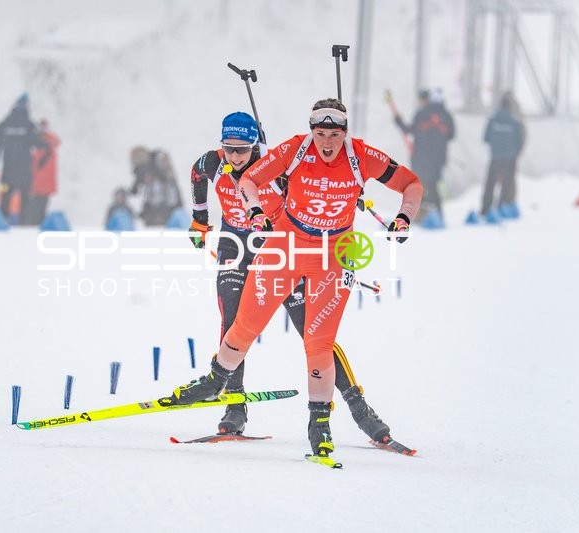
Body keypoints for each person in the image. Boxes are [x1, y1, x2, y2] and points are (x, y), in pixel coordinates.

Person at [168, 99, 422, 459]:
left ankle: (353, 409)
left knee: (315, 335)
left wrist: (378, 208)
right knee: (235, 322)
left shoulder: (284, 163)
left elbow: (332, 189)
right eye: (229, 149)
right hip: (241, 247)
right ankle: (229, 399)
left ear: (255, 145)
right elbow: (202, 177)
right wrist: (199, 219)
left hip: (303, 249)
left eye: (242, 150)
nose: (235, 156)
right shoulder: (221, 161)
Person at [392, 87, 454, 221]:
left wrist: (398, 120)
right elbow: (452, 135)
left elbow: (409, 130)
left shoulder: (422, 113)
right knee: (432, 186)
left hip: (420, 159)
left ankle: (422, 216)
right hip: (438, 159)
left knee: (419, 186)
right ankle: (437, 215)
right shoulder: (446, 115)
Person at [0, 93, 49, 224]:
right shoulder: (29, 125)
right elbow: (38, 143)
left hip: (7, 170)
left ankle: (2, 220)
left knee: (5, 194)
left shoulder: (4, 124)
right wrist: (46, 146)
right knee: (25, 198)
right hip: (24, 171)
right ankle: (23, 224)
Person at [480, 91, 526, 216]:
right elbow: (520, 141)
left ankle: (485, 209)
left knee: (490, 183)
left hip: (495, 157)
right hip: (510, 158)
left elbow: (485, 138)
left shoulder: (492, 120)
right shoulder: (515, 122)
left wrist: (496, 147)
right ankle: (502, 207)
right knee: (507, 183)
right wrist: (513, 152)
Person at [129, 146, 183, 226]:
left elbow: (167, 177)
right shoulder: (143, 168)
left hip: (165, 200)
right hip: (154, 201)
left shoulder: (156, 159)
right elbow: (136, 186)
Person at [26, 118, 60, 225]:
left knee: (38, 204)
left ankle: (36, 221)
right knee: (39, 203)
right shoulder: (47, 144)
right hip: (41, 182)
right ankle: (38, 221)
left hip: (39, 181)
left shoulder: (40, 143)